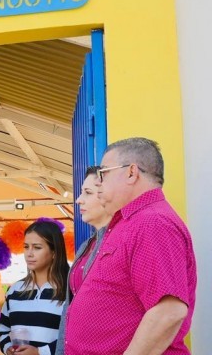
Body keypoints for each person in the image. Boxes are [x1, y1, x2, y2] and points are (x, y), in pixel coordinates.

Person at [64, 137, 196, 355]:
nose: (99, 183)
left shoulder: (152, 222)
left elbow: (169, 311)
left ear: (131, 173)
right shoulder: (129, 223)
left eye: (103, 173)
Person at [54, 167, 113, 355]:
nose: (79, 200)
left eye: (87, 193)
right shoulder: (86, 245)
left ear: (107, 194)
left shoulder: (119, 242)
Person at [0, 221, 69, 355]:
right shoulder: (15, 290)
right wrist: (8, 348)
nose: (29, 254)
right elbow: (3, 328)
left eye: (37, 247)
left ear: (54, 252)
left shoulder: (70, 291)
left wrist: (40, 352)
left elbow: (75, 336)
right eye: (26, 247)